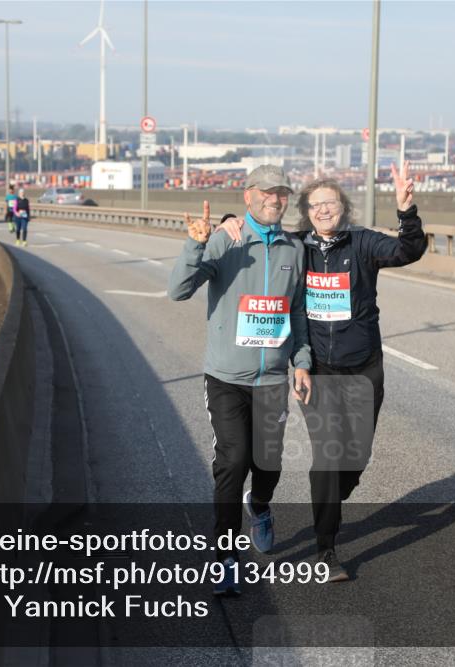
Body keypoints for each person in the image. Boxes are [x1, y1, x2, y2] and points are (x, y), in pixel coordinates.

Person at [219, 162, 426, 582]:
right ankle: (326, 550)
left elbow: (408, 251)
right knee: (329, 459)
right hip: (319, 370)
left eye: (331, 202)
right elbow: (263, 237)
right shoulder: (298, 247)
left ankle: (332, 499)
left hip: (365, 367)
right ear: (306, 212)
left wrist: (407, 212)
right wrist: (228, 220)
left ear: (343, 207)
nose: (324, 210)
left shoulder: (363, 243)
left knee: (356, 457)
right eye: (315, 205)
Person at [168, 164, 313, 597]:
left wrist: (301, 362)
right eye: (267, 192)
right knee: (233, 462)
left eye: (282, 193)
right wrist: (196, 242)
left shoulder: (294, 249)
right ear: (248, 196)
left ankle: (262, 506)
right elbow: (178, 290)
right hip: (227, 376)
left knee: (267, 463)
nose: (276, 199)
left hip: (271, 379)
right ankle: (226, 557)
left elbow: (298, 313)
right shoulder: (225, 238)